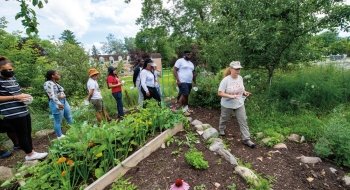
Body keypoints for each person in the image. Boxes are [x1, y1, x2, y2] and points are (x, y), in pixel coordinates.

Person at [0, 56, 48, 160]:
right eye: (5, 70)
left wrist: (25, 96)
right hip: (12, 112)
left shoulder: (13, 79)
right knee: (21, 134)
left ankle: (32, 151)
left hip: (22, 109)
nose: (8, 71)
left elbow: (17, 92)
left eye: (10, 69)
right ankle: (29, 154)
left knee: (27, 132)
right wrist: (15, 97)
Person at [217, 61, 256, 148]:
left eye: (239, 69)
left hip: (239, 103)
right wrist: (230, 96)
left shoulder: (240, 78)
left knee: (243, 120)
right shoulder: (226, 80)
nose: (238, 71)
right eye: (236, 69)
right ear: (231, 69)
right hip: (227, 104)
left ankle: (246, 139)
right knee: (224, 118)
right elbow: (220, 93)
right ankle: (221, 129)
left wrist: (245, 93)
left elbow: (242, 89)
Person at [44, 70, 73, 139]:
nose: (59, 75)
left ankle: (74, 130)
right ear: (52, 76)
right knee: (58, 120)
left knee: (69, 117)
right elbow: (52, 96)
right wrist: (59, 103)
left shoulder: (55, 83)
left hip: (64, 101)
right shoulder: (48, 83)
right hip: (56, 103)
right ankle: (60, 136)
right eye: (57, 74)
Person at [173, 50, 196, 115]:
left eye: (190, 54)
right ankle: (177, 108)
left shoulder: (191, 63)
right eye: (188, 54)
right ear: (184, 54)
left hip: (189, 82)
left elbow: (193, 73)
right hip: (182, 81)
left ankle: (185, 108)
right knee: (185, 94)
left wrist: (194, 82)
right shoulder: (180, 61)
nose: (189, 55)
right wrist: (178, 80)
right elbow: (174, 70)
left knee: (186, 95)